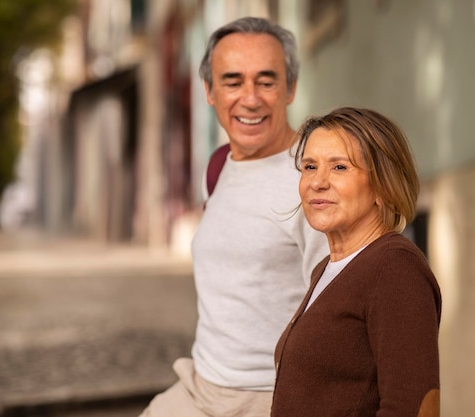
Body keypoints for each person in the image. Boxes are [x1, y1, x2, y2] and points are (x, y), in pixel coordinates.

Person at [140, 17, 328, 417]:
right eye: (232, 81)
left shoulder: (314, 179)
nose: (250, 98)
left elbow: (343, 313)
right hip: (199, 386)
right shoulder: (220, 164)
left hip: (271, 398)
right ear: (209, 91)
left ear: (290, 87)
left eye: (266, 81)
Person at [271, 107, 443, 417]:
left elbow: (415, 408)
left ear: (382, 187)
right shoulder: (326, 269)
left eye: (339, 167)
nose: (317, 182)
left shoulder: (394, 267)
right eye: (310, 166)